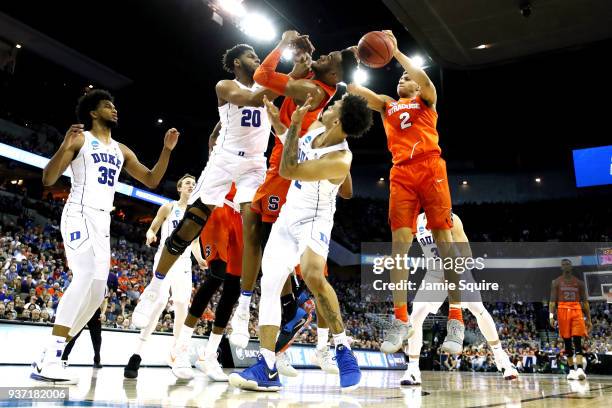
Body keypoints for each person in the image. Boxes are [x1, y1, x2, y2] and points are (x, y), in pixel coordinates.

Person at [31, 89, 179, 384]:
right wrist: (63, 146)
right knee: (84, 276)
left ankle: (49, 352)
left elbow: (151, 179)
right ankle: (53, 357)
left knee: (98, 294)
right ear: (93, 113)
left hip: (103, 222)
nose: (114, 110)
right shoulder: (80, 139)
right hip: (79, 212)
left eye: (114, 106)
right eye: (108, 106)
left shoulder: (121, 150)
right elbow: (48, 179)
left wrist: (167, 150)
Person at [133, 42, 285, 328]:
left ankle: (244, 307)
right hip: (224, 160)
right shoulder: (225, 85)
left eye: (257, 56)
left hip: (254, 164)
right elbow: (252, 99)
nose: (257, 60)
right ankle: (154, 289)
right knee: (190, 224)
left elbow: (275, 103)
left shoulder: (267, 94)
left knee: (253, 228)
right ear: (237, 63)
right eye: (251, 56)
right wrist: (288, 56)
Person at [228, 93, 372, 391]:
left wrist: (292, 125)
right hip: (287, 217)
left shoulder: (339, 159)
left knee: (312, 274)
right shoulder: (319, 127)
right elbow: (294, 146)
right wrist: (278, 123)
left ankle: (343, 348)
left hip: (314, 221)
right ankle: (267, 366)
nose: (329, 105)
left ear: (339, 119)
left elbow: (289, 168)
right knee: (269, 285)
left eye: (336, 105)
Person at [230, 29, 358, 350]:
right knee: (282, 255)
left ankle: (284, 315)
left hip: (287, 167)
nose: (322, 56)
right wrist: (300, 64)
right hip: (286, 155)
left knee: (264, 237)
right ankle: (302, 327)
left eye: (327, 59)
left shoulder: (311, 90)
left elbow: (262, 77)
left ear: (332, 73)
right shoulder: (311, 84)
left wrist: (284, 43)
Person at [347, 30, 463, 355]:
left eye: (405, 77)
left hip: (430, 167)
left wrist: (396, 52)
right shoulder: (387, 106)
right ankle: (400, 319)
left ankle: (456, 317)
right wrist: (355, 57)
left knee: (444, 242)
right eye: (398, 77)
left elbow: (423, 78)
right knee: (399, 247)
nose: (402, 79)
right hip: (401, 172)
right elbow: (355, 91)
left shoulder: (426, 99)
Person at [401, 212, 518, 386]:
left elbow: (466, 253)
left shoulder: (451, 218)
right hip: (434, 273)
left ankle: (502, 359)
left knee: (478, 310)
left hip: (458, 269)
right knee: (416, 316)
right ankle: (412, 370)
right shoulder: (416, 220)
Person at [166, 185, 243, 382]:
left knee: (233, 288)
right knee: (216, 276)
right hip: (219, 208)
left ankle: (208, 355)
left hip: (240, 213)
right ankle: (179, 350)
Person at [123, 174, 196, 379]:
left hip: (184, 262)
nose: (191, 186)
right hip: (165, 257)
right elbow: (153, 226)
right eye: (188, 183)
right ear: (180, 187)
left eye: (194, 184)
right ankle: (136, 355)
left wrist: (200, 259)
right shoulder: (168, 207)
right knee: (159, 302)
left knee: (183, 307)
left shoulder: (196, 213)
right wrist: (150, 234)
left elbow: (196, 243)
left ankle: (176, 354)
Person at [549, 259, 592, 381]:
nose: (566, 266)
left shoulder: (579, 283)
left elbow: (585, 302)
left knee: (577, 340)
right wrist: (551, 316)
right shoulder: (556, 282)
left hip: (576, 310)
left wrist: (588, 319)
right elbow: (552, 301)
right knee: (567, 342)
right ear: (561, 268)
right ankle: (571, 370)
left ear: (571, 267)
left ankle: (580, 369)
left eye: (568, 264)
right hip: (562, 311)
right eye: (563, 264)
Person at [62, 296, 108, 368]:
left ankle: (97, 361)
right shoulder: (86, 284)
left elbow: (105, 301)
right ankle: (64, 358)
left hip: (95, 312)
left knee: (97, 338)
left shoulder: (104, 286)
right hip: (83, 311)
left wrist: (103, 313)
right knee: (74, 334)